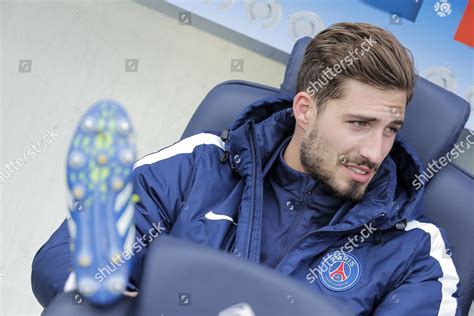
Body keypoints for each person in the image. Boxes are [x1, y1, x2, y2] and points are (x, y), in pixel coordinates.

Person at [32, 22, 460, 315]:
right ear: (305, 110)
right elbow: (66, 256)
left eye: (391, 129)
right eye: (359, 124)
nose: (375, 150)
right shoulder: (198, 166)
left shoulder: (417, 252)